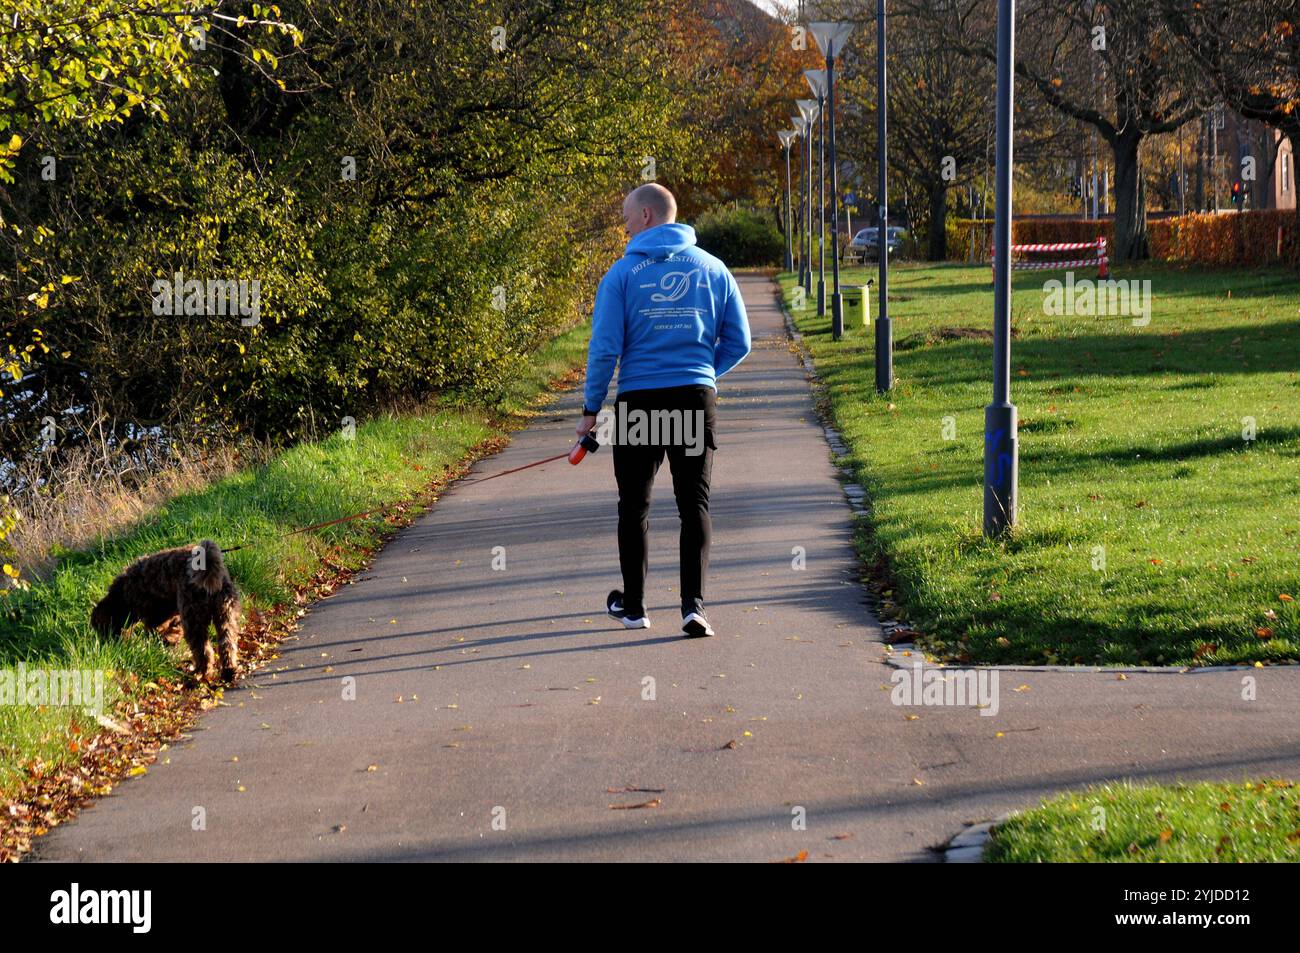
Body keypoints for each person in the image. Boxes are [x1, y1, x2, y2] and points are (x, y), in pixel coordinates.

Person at [578, 183, 751, 638]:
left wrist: (590, 409)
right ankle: (694, 608)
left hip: (640, 400)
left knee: (634, 505)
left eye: (628, 218)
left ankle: (634, 607)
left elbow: (604, 350)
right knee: (693, 502)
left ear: (648, 215)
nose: (625, 226)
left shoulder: (622, 276)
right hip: (694, 397)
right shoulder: (714, 269)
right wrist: (702, 373)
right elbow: (741, 341)